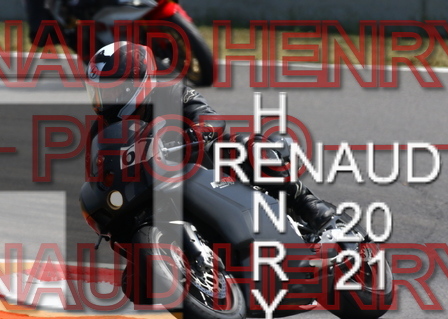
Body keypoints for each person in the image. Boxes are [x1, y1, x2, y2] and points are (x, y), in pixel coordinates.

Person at [85, 41, 335, 231]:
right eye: (99, 91)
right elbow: (96, 176)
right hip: (147, 193)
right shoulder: (101, 130)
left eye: (112, 90)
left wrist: (193, 134)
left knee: (239, 145)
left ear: (136, 82)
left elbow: (210, 119)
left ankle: (305, 202)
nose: (105, 99)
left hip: (202, 173)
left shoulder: (170, 94)